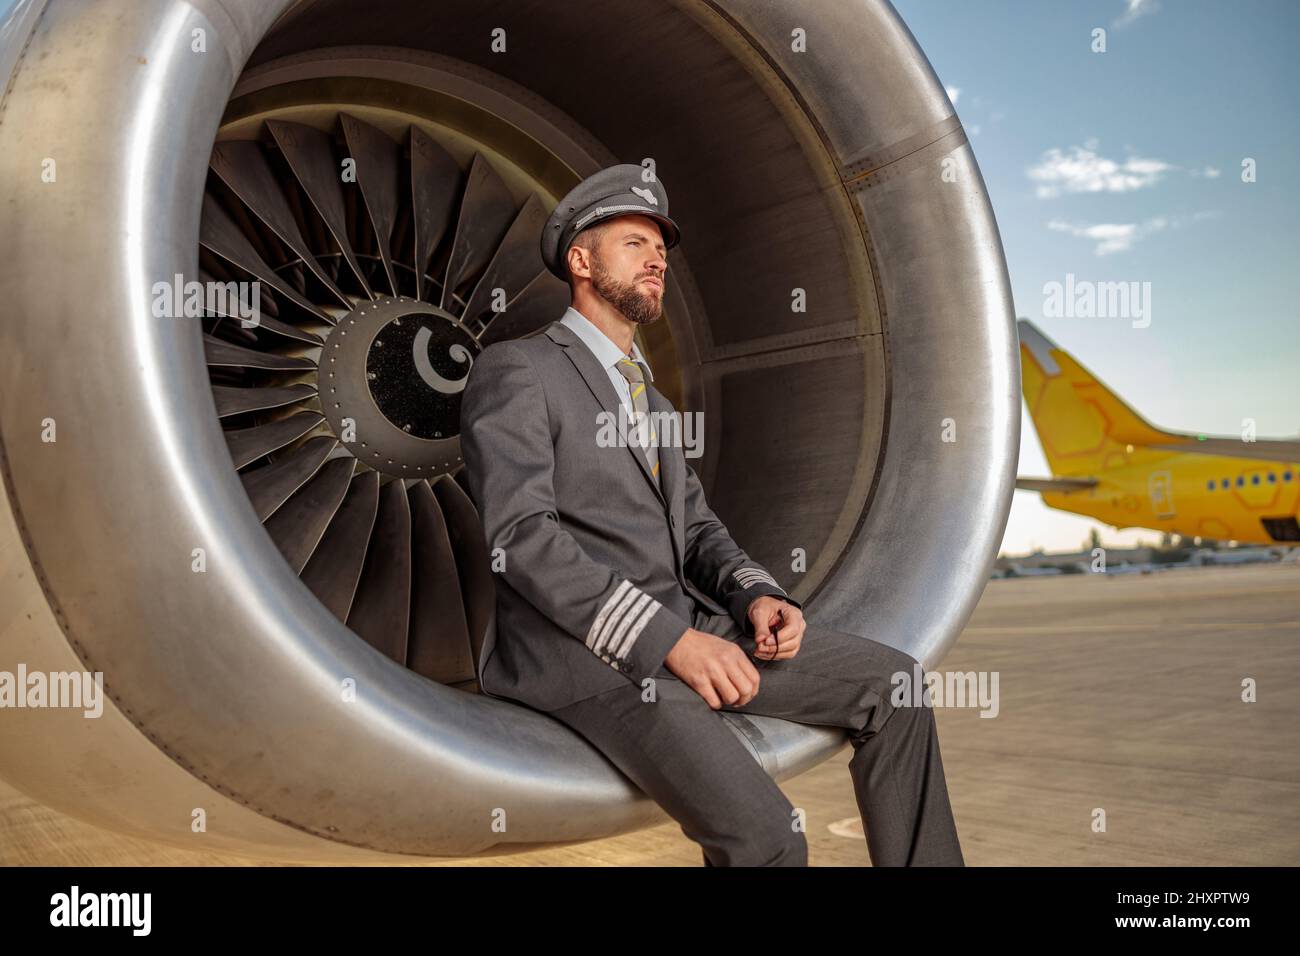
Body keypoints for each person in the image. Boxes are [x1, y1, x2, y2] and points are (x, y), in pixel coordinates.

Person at [459, 163, 963, 866]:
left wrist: (756, 593)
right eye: (634, 242)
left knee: (896, 688)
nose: (657, 256)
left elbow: (696, 529)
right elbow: (520, 539)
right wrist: (672, 642)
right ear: (580, 261)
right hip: (589, 658)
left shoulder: (655, 405)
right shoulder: (519, 371)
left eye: (660, 246)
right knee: (770, 837)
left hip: (691, 630)